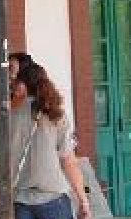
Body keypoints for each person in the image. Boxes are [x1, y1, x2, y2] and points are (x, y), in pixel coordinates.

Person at [11, 62, 91, 219]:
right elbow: (69, 162)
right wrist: (83, 200)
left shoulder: (9, 116)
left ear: (23, 84)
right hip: (53, 199)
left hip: (20, 202)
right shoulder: (55, 115)